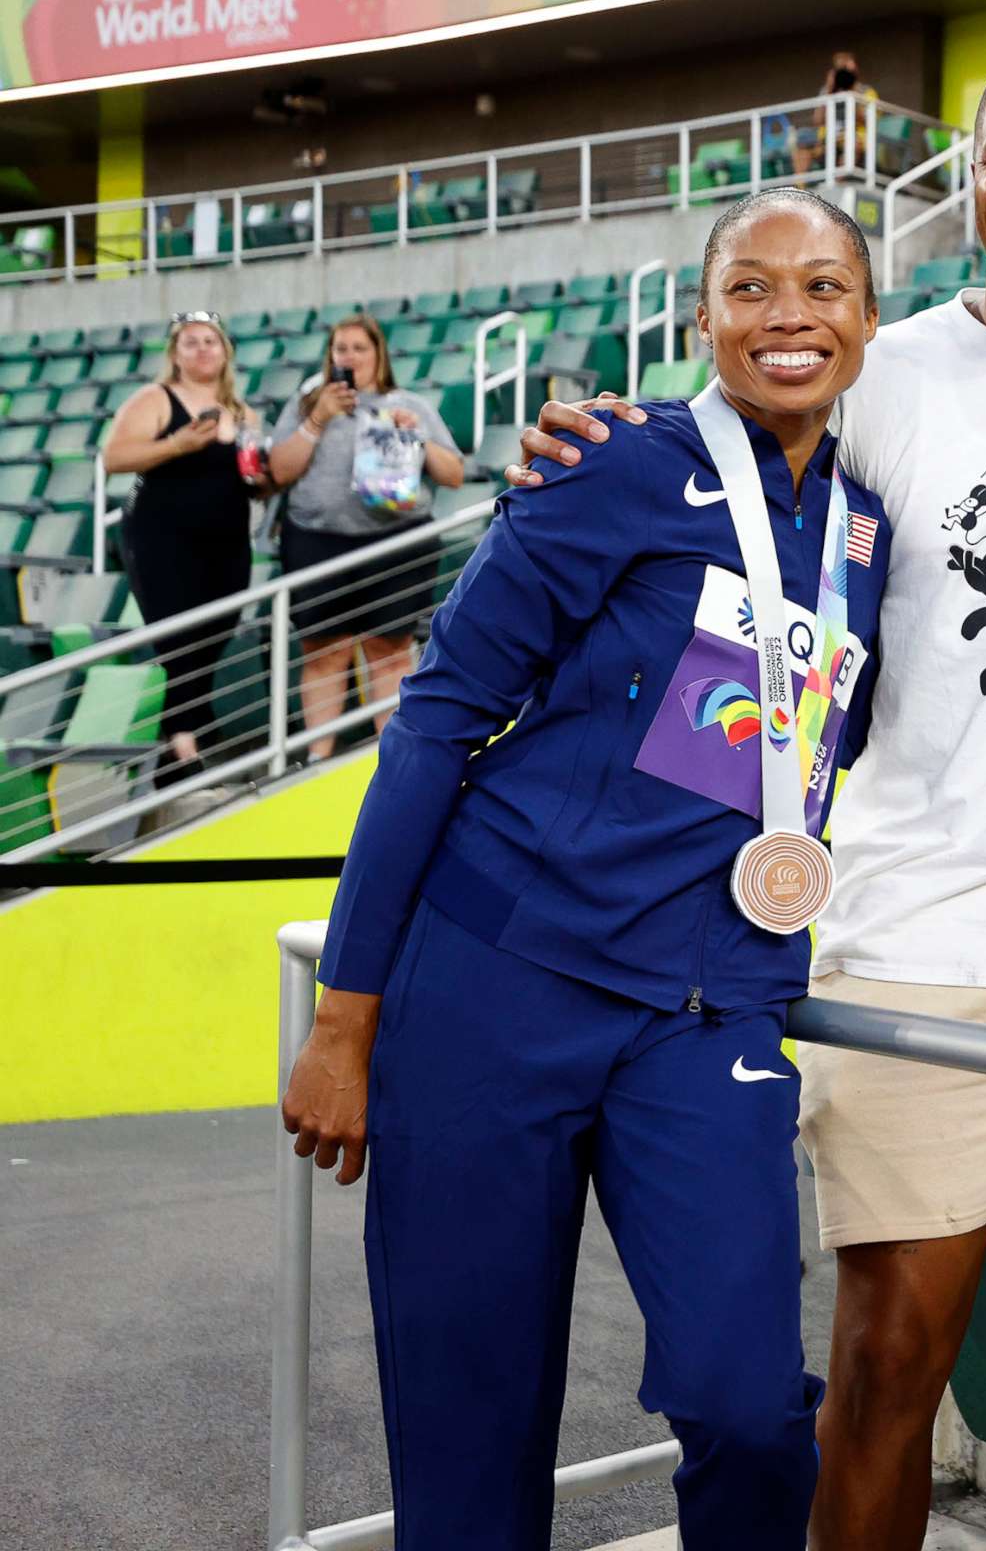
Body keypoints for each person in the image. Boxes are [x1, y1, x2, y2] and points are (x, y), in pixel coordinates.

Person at [517, 44, 986, 1551]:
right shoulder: (885, 372)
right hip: (913, 940)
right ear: (971, 182)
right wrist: (583, 441)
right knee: (886, 1361)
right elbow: (713, 495)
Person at [278, 189, 891, 1550]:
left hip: (708, 1009)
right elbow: (436, 718)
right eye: (751, 288)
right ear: (703, 316)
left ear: (868, 315)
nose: (788, 316)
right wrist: (346, 1013)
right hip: (494, 988)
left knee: (748, 1408)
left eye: (824, 288)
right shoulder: (617, 463)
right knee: (469, 1437)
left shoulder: (869, 525)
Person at [264, 313, 465, 761]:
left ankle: (388, 755)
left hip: (397, 544)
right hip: (317, 541)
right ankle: (317, 757)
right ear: (329, 357)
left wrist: (415, 436)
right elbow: (279, 471)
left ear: (379, 355)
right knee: (323, 652)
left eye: (360, 348)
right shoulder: (306, 405)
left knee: (389, 650)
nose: (350, 357)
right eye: (341, 349)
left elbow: (453, 473)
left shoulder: (409, 403)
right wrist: (317, 419)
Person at [102, 309, 258, 775]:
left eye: (209, 340)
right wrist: (176, 446)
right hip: (161, 538)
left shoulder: (243, 411)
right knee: (179, 636)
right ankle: (186, 745)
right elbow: (113, 458)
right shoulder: (155, 398)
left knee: (215, 634)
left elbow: (254, 474)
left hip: (227, 540)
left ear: (225, 350)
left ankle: (186, 734)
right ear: (174, 353)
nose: (201, 349)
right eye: (190, 342)